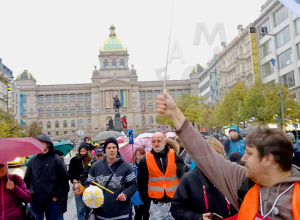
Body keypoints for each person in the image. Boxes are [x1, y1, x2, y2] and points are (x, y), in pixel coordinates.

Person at [157, 89, 300, 220]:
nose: (243, 158)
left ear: (269, 159)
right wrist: (175, 113)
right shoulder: (244, 181)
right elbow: (205, 154)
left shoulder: (295, 196)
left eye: (249, 154)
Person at [170, 137, 237, 220]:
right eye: (209, 154)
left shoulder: (231, 178)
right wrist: (199, 217)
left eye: (217, 154)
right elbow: (177, 210)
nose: (214, 158)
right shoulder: (189, 179)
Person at [87, 137, 137, 220]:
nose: (111, 150)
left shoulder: (126, 166)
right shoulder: (96, 166)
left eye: (114, 147)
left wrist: (125, 194)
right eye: (109, 148)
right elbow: (89, 183)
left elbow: (133, 184)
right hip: (101, 214)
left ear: (117, 149)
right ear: (105, 150)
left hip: (121, 214)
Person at [138, 132, 184, 220]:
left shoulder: (174, 156)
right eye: (154, 141)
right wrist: (148, 203)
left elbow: (182, 177)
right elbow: (141, 183)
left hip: (174, 202)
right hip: (155, 205)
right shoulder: (145, 159)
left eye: (159, 141)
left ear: (165, 142)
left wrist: (182, 197)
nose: (156, 143)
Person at [24, 134, 69, 220]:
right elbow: (27, 180)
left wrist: (56, 196)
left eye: (41, 143)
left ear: (48, 144)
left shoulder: (57, 159)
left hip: (51, 201)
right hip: (36, 201)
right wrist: (31, 193)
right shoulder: (33, 161)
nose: (39, 145)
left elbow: (64, 179)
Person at [69, 142, 93, 220]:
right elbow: (70, 172)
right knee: (80, 209)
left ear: (87, 151)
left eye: (84, 151)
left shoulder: (91, 160)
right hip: (78, 186)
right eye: (81, 151)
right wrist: (73, 179)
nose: (82, 153)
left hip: (89, 187)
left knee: (88, 208)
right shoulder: (74, 160)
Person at [131, 147, 149, 220]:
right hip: (137, 194)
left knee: (146, 214)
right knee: (138, 214)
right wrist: (133, 171)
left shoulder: (148, 166)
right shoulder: (132, 167)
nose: (140, 157)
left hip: (146, 193)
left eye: (141, 155)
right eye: (138, 155)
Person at [54, 151, 70, 220]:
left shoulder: (59, 164)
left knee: (58, 214)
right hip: (59, 194)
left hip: (59, 195)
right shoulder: (61, 164)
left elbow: (64, 181)